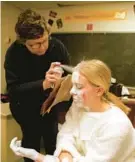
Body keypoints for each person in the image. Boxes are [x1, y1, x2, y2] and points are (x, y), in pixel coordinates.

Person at [10, 59, 135, 162]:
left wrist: (38, 157)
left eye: (79, 87)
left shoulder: (116, 124)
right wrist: (65, 154)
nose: (71, 91)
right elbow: (66, 133)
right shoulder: (78, 108)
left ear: (99, 90)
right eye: (73, 85)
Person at [4, 9, 71, 162]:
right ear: (23, 43)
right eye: (34, 45)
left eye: (44, 40)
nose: (42, 47)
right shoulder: (14, 53)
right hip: (24, 108)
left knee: (53, 142)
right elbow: (13, 91)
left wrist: (62, 80)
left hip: (50, 106)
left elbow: (68, 73)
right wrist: (44, 84)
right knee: (31, 145)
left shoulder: (57, 46)